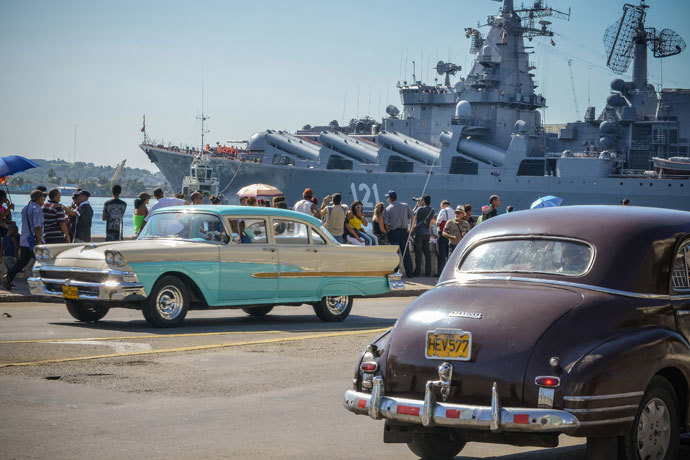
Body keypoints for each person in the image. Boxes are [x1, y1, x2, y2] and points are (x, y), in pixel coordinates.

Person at [2, 190, 44, 291]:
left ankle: (8, 277)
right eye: (42, 197)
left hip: (25, 240)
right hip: (33, 240)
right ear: (38, 198)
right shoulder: (37, 209)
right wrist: (39, 241)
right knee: (42, 262)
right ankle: (45, 283)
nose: (43, 200)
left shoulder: (25, 208)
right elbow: (37, 227)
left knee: (22, 262)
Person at [383, 190, 414, 276]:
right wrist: (411, 228)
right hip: (404, 232)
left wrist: (387, 229)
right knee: (406, 253)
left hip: (394, 232)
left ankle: (394, 272)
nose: (387, 199)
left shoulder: (388, 209)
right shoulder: (405, 205)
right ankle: (410, 273)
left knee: (395, 253)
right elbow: (412, 215)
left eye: (387, 197)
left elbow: (386, 224)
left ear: (390, 198)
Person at [412, 195, 435, 277]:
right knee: (427, 253)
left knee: (418, 253)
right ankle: (428, 272)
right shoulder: (432, 210)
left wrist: (417, 205)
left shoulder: (420, 209)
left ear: (423, 201)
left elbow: (412, 214)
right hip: (427, 233)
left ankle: (417, 271)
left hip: (419, 233)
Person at [435, 200, 452, 274]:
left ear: (443, 205)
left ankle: (440, 273)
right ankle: (449, 272)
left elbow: (438, 223)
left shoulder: (443, 211)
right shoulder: (454, 211)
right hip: (450, 235)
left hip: (442, 234)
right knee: (449, 254)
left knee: (441, 254)